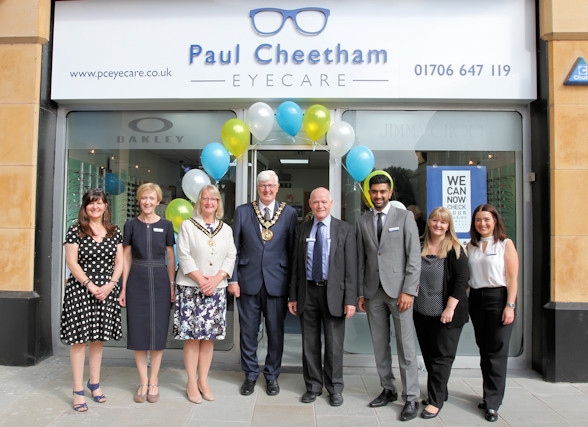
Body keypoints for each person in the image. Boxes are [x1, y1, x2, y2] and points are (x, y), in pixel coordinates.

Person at [356, 174, 421, 421]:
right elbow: (362, 259)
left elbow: (414, 257)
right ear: (369, 194)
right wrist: (361, 292)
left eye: (383, 191)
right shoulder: (362, 221)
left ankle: (412, 397)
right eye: (374, 192)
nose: (378, 196)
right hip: (373, 293)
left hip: (399, 293)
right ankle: (388, 389)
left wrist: (408, 290)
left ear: (390, 192)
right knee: (380, 345)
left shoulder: (404, 218)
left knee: (406, 347)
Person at [229, 170, 298, 397]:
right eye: (262, 186)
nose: (267, 190)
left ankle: (271, 376)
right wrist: (234, 279)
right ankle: (249, 375)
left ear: (277, 188)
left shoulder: (288, 214)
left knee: (275, 333)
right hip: (247, 282)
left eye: (271, 186)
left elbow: (292, 252)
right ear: (257, 188)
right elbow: (234, 250)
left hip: (278, 283)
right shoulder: (243, 211)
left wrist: (292, 289)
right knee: (248, 333)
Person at [288, 187, 357, 407]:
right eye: (316, 202)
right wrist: (292, 296)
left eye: (324, 202)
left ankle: (335, 388)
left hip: (335, 293)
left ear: (331, 203)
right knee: (310, 343)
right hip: (307, 292)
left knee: (334, 344)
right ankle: (313, 386)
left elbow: (351, 268)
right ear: (310, 204)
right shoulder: (302, 230)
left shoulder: (345, 230)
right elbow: (295, 266)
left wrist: (351, 300)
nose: (320, 206)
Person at [60, 188, 123, 412]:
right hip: (80, 292)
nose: (95, 207)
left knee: (98, 341)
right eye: (91, 203)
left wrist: (110, 285)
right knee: (79, 342)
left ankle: (94, 384)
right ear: (85, 207)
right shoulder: (75, 230)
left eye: (99, 203)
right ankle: (78, 390)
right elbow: (72, 263)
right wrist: (90, 285)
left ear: (106, 206)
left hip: (106, 292)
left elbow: (119, 262)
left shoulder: (113, 231)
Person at [174, 184, 236, 404]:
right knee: (192, 338)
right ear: (198, 202)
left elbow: (230, 256)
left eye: (214, 199)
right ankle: (191, 383)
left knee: (208, 339)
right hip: (191, 289)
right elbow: (184, 256)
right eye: (205, 198)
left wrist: (217, 279)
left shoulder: (225, 229)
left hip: (215, 289)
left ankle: (203, 381)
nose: (209, 202)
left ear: (218, 203)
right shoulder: (188, 226)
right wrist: (202, 281)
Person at [119, 183, 175, 404]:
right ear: (139, 200)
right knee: (139, 333)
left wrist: (171, 285)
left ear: (158, 200)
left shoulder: (166, 225)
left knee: (157, 334)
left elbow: (171, 257)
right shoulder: (130, 225)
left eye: (152, 198)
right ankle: (143, 382)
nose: (148, 202)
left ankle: (154, 381)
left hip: (160, 279)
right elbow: (126, 258)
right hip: (137, 280)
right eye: (144, 198)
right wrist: (123, 287)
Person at [413, 207, 469, 419]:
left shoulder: (456, 249)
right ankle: (440, 392)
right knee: (428, 355)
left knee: (441, 358)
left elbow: (461, 282)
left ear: (448, 226)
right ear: (429, 222)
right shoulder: (419, 245)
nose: (438, 225)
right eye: (435, 220)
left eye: (443, 222)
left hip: (447, 313)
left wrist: (449, 309)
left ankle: (435, 402)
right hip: (422, 311)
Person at [467, 204, 519, 423]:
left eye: (487, 219)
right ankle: (488, 394)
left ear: (495, 220)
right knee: (485, 351)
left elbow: (512, 278)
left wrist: (510, 305)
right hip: (477, 300)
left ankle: (493, 404)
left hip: (498, 299)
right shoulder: (471, 246)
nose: (483, 223)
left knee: (497, 352)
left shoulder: (505, 244)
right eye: (478, 220)